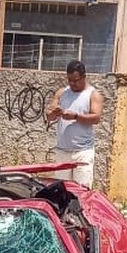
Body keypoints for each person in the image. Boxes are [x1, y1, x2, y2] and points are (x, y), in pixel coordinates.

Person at [44, 60, 104, 188]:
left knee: (82, 189)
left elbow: (96, 118)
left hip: (82, 151)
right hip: (62, 150)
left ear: (83, 77)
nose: (72, 84)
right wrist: (55, 112)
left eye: (75, 80)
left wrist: (75, 116)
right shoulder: (62, 93)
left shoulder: (93, 95)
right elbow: (49, 116)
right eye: (69, 80)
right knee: (61, 189)